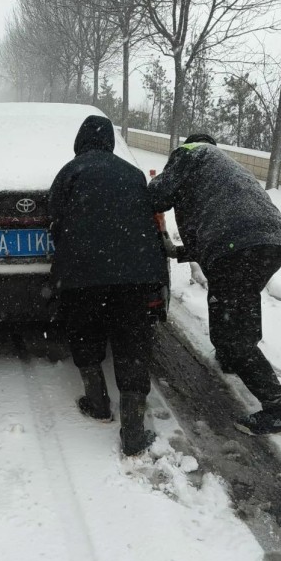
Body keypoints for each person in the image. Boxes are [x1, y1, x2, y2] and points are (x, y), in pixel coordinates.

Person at [148, 132, 281, 436]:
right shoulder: (223, 169)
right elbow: (213, 226)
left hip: (235, 247)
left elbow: (156, 196)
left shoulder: (190, 153)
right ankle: (236, 359)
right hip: (271, 241)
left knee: (230, 332)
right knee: (243, 301)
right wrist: (177, 251)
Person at [48, 114, 168, 456]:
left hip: (82, 272)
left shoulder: (70, 171)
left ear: (80, 141)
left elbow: (54, 213)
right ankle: (133, 431)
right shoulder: (131, 173)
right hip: (134, 273)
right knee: (132, 340)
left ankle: (98, 402)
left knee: (84, 329)